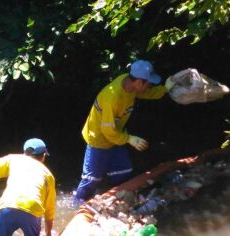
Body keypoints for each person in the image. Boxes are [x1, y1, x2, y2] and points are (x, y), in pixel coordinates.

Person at [75, 59, 175, 201]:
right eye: (149, 83)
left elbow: (146, 93)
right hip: (99, 139)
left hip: (117, 135)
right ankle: (77, 206)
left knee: (123, 172)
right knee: (91, 180)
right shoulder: (113, 97)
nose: (150, 86)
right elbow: (107, 131)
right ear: (139, 82)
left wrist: (165, 89)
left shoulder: (129, 84)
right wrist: (129, 139)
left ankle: (117, 200)